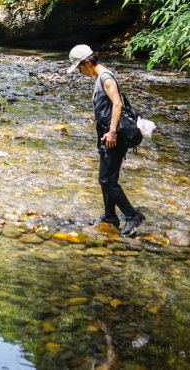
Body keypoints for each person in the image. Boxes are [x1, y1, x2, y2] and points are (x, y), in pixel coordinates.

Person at [67, 44, 146, 237]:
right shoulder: (100, 77)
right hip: (106, 136)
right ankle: (110, 217)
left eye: (79, 67)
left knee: (106, 180)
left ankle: (133, 216)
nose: (79, 71)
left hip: (113, 137)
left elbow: (118, 103)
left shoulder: (106, 78)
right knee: (108, 179)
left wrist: (111, 133)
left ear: (87, 62)